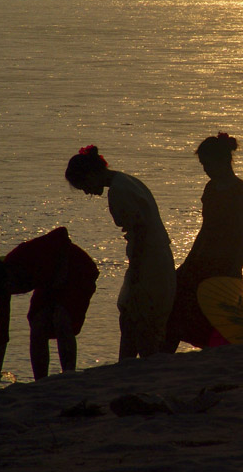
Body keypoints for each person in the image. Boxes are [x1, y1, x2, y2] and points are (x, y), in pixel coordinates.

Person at [65, 145, 175, 359]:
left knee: (140, 320)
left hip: (148, 261)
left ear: (91, 175)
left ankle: (132, 366)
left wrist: (135, 270)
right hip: (156, 257)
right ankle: (127, 365)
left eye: (84, 185)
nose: (87, 192)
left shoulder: (119, 192)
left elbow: (140, 232)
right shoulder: (126, 181)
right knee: (132, 318)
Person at [0, 227, 98, 384]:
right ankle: (40, 381)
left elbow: (61, 233)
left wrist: (61, 273)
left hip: (76, 270)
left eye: (10, 287)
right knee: (37, 323)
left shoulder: (21, 255)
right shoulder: (2, 287)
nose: (12, 291)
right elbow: (1, 329)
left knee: (61, 318)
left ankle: (68, 375)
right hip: (48, 281)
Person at [165, 133, 243, 350]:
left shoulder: (241, 193)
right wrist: (189, 261)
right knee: (177, 302)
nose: (205, 169)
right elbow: (205, 229)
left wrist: (235, 267)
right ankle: (164, 353)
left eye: (207, 164)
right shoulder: (211, 188)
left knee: (215, 314)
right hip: (202, 258)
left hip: (225, 262)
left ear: (221, 161)